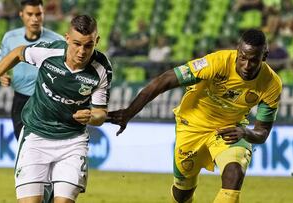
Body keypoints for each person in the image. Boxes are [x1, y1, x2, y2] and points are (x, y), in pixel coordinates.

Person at [107, 29, 282, 203]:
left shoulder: (271, 84)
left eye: (254, 60)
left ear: (264, 56)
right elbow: (164, 81)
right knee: (183, 193)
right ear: (237, 50)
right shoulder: (216, 62)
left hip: (230, 129)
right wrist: (129, 112)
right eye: (243, 57)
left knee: (235, 174)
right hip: (192, 127)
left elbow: (262, 133)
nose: (246, 65)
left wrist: (244, 132)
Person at [0, 14, 112, 203]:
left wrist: (91, 117)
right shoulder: (50, 53)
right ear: (67, 38)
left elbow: (100, 113)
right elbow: (17, 53)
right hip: (36, 135)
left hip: (72, 141)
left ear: (97, 41)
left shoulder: (102, 69)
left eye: (88, 45)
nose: (81, 51)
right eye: (76, 44)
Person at [0, 0, 63, 140]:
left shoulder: (57, 41)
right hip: (21, 100)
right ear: (21, 14)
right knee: (23, 143)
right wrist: (3, 76)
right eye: (30, 14)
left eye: (38, 14)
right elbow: (2, 64)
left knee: (47, 145)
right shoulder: (10, 38)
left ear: (43, 14)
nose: (34, 18)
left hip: (47, 100)